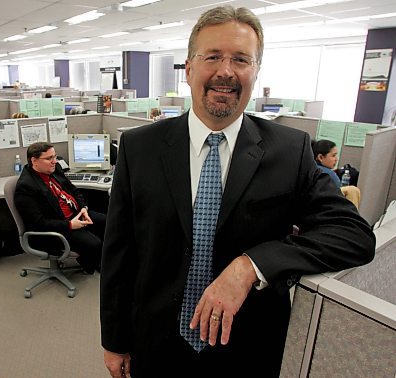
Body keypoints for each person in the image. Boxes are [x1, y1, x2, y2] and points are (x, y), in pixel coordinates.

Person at [100, 6, 375, 378]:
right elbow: (119, 252)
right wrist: (114, 340)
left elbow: (354, 236)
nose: (225, 71)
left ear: (256, 72)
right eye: (212, 56)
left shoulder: (290, 150)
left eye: (241, 59)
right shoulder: (139, 147)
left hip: (247, 348)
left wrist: (252, 264)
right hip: (157, 342)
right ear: (189, 68)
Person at [14, 142, 105, 274]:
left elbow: (73, 190)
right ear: (34, 161)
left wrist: (83, 207)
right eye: (49, 158)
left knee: (106, 222)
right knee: (94, 243)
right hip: (56, 227)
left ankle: (96, 259)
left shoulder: (54, 169)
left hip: (74, 215)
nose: (54, 161)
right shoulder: (26, 187)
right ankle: (88, 263)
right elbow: (38, 223)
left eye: (55, 156)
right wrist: (70, 225)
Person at [311, 139, 361, 207]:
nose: (336, 159)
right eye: (333, 155)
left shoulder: (310, 169)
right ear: (320, 157)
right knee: (352, 190)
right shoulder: (329, 175)